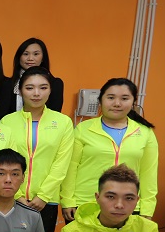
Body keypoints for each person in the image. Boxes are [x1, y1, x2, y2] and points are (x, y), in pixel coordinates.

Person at [62, 78, 159, 221]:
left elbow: (148, 173)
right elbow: (70, 167)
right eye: (111, 97)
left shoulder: (145, 133)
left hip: (128, 206)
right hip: (85, 204)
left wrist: (147, 208)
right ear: (100, 100)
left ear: (133, 102)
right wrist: (68, 200)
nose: (117, 103)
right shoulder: (83, 129)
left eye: (124, 98)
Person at [1, 67, 74, 232]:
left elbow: (62, 163)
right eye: (29, 87)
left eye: (43, 87)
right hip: (11, 197)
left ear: (50, 90)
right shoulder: (7, 121)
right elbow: (2, 163)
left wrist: (43, 196)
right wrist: (17, 195)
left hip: (46, 201)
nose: (36, 93)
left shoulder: (63, 122)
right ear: (20, 90)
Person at [7, 38, 65, 114]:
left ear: (43, 58)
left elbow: (55, 113)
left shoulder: (55, 83)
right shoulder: (7, 83)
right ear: (19, 57)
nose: (30, 58)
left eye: (36, 54)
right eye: (26, 54)